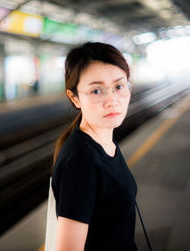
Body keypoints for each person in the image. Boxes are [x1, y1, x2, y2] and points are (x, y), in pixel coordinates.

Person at [52, 42, 138, 250]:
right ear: (74, 98)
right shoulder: (81, 163)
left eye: (119, 86)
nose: (112, 101)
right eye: (96, 91)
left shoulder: (105, 141)